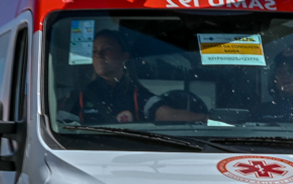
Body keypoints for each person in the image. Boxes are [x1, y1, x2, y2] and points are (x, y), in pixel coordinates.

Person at [61, 30, 201, 124]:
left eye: (107, 49)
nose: (99, 55)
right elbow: (61, 124)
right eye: (95, 51)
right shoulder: (79, 96)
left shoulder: (137, 95)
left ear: (124, 56)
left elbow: (168, 114)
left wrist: (205, 118)